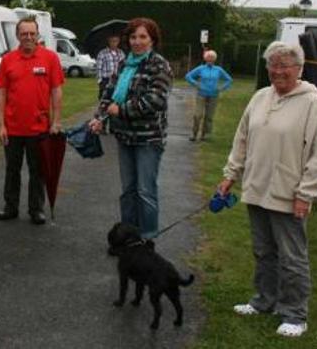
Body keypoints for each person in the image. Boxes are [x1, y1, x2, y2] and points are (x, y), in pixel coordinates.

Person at [217, 41, 317, 338]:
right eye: (273, 66)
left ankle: (295, 314)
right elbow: (242, 140)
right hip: (256, 187)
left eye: (285, 66)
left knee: (292, 257)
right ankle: (264, 301)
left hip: (289, 194)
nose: (278, 71)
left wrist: (306, 193)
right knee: (263, 251)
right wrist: (231, 175)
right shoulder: (259, 97)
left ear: (299, 69)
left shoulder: (312, 103)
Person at [89, 18, 172, 239]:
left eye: (143, 37)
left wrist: (121, 110)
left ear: (152, 40)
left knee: (145, 192)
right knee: (128, 191)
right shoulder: (124, 64)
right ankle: (128, 238)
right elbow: (109, 93)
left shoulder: (159, 65)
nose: (137, 41)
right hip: (124, 137)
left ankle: (147, 239)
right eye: (134, 37)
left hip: (148, 140)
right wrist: (100, 117)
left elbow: (155, 101)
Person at [0, 17, 63, 225]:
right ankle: (10, 207)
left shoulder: (50, 58)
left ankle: (36, 209)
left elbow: (56, 90)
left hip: (40, 127)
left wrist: (56, 121)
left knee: (38, 172)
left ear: (37, 35)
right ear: (17, 36)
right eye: (24, 34)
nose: (28, 37)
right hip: (13, 128)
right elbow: (1, 93)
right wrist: (1, 125)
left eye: (32, 33)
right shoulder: (8, 59)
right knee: (12, 170)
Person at [185, 49, 232, 141]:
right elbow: (188, 76)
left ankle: (205, 135)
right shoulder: (201, 68)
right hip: (201, 94)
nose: (210, 60)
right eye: (208, 58)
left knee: (209, 116)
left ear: (214, 59)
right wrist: (196, 84)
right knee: (198, 115)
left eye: (212, 58)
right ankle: (194, 133)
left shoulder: (218, 70)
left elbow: (229, 80)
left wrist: (221, 88)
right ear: (205, 59)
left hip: (213, 95)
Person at [96, 34, 125, 99]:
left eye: (116, 41)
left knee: (116, 99)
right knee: (104, 99)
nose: (114, 43)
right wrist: (100, 81)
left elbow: (124, 66)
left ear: (118, 42)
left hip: (118, 79)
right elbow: (99, 68)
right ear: (109, 42)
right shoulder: (102, 53)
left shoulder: (121, 53)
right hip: (106, 79)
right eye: (112, 41)